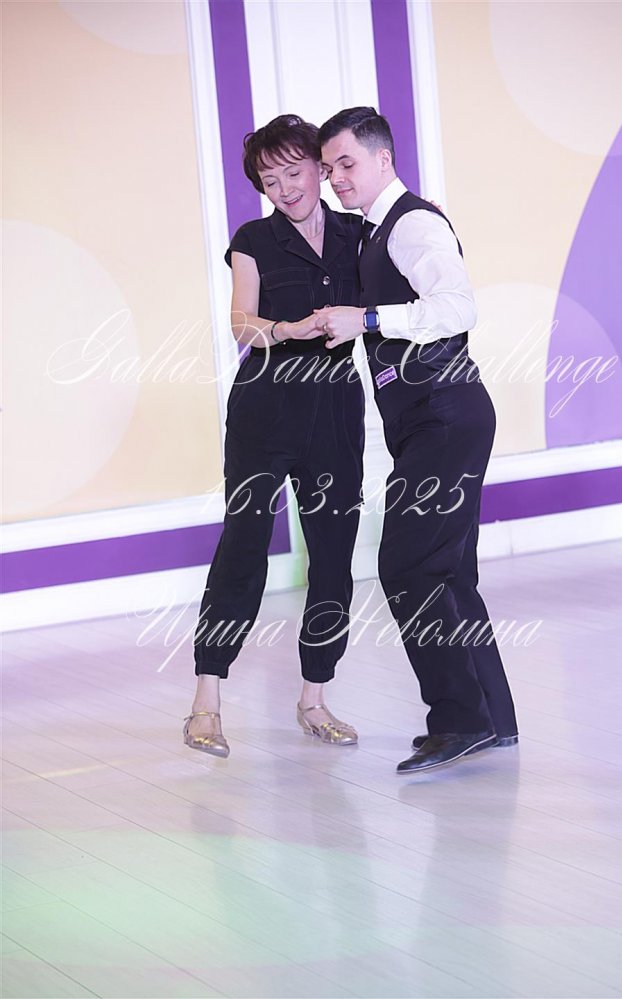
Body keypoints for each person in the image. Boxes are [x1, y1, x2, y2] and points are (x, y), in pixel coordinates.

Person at [303, 106, 518, 773]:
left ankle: (459, 721)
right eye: (329, 168)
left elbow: (457, 306)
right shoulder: (377, 231)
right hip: (437, 418)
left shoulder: (413, 223)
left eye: (347, 163)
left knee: (406, 566)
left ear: (384, 158)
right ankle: (492, 719)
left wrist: (367, 318)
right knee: (449, 570)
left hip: (444, 415)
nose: (337, 178)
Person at [183, 115, 365, 758]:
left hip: (336, 410)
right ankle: (206, 701)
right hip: (265, 406)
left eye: (294, 172)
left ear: (320, 167)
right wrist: (287, 330)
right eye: (270, 180)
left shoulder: (359, 234)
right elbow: (242, 323)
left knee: (333, 553)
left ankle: (314, 698)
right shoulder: (253, 239)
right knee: (243, 547)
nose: (286, 189)